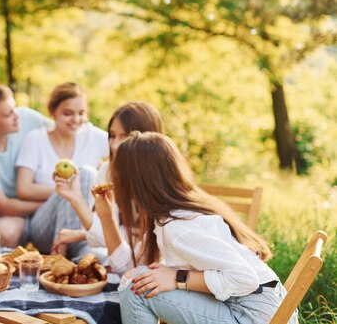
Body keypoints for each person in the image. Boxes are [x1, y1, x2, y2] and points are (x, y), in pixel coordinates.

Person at [112, 132, 293, 324]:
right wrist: (170, 272)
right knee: (143, 279)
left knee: (135, 286)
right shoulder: (176, 213)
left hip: (255, 315)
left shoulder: (179, 227)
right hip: (262, 306)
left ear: (137, 182)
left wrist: (178, 277)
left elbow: (244, 279)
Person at [52, 101, 163, 271]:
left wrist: (83, 234)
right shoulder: (108, 171)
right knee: (94, 257)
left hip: (154, 270)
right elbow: (104, 234)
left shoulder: (160, 179)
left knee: (98, 257)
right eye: (112, 135)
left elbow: (145, 250)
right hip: (125, 261)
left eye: (125, 137)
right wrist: (76, 198)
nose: (114, 144)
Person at [16, 82, 108, 257]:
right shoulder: (36, 139)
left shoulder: (93, 136)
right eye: (68, 113)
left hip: (83, 227)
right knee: (81, 178)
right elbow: (24, 189)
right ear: (53, 111)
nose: (76, 120)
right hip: (44, 227)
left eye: (81, 113)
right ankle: (62, 255)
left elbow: (126, 148)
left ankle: (78, 257)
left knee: (87, 173)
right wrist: (66, 191)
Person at [0, 83, 52, 248]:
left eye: (15, 108)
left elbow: (62, 134)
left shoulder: (28, 118)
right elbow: (4, 207)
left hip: (28, 207)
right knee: (6, 232)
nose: (17, 116)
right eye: (8, 114)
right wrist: (51, 204)